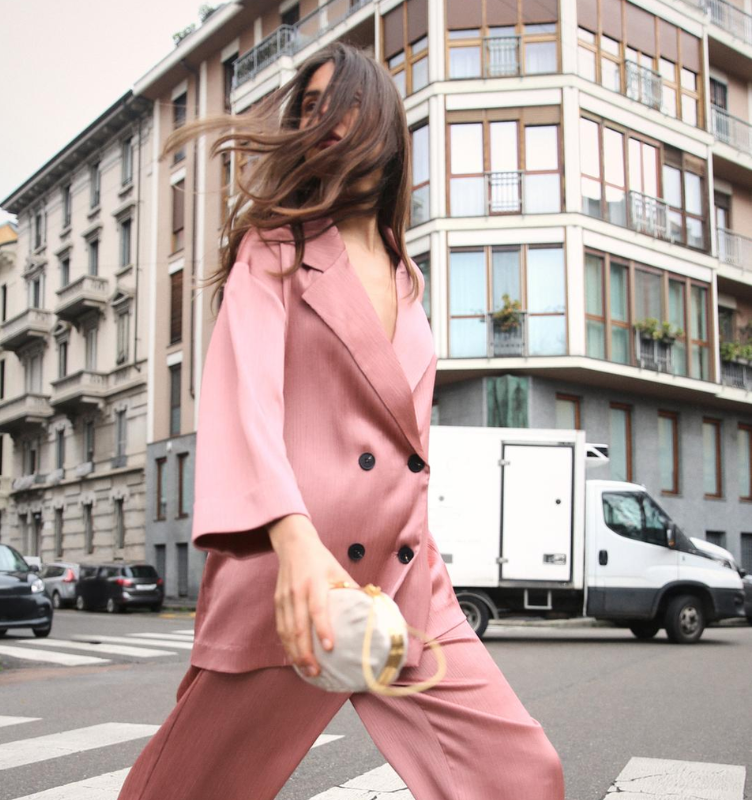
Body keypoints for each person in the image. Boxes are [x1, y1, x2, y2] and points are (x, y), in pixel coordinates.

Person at [117, 41, 565, 800]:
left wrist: (429, 568)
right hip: (290, 585)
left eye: (346, 102)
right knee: (191, 790)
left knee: (520, 775)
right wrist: (293, 547)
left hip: (405, 588)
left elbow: (406, 457)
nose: (328, 119)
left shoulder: (408, 277)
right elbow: (243, 398)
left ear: (387, 126)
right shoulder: (277, 249)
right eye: (312, 106)